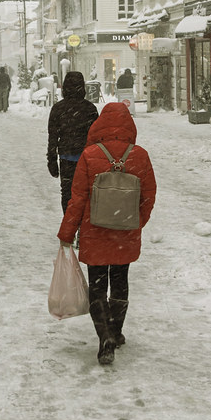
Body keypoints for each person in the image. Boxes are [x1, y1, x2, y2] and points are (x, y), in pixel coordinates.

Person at [57, 101, 157, 366]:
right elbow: (148, 196)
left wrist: (67, 231)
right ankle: (116, 330)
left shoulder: (89, 155)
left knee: (98, 286)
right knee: (120, 279)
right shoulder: (140, 156)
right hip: (125, 230)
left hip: (95, 229)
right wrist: (136, 222)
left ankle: (104, 337)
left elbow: (76, 199)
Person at [46, 71, 99, 214]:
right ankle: (83, 226)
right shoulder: (90, 109)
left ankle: (69, 225)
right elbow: (96, 137)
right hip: (86, 159)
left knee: (67, 193)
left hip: (66, 158)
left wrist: (52, 159)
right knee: (86, 193)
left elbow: (53, 137)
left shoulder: (58, 108)